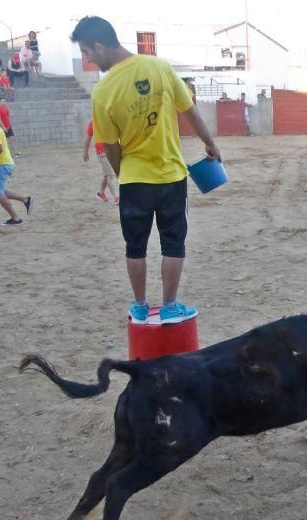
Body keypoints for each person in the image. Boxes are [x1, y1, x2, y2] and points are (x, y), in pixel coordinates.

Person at [70, 15, 221, 324]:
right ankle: (169, 306)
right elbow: (189, 111)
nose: (87, 58)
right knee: (173, 243)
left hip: (135, 179)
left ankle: (139, 306)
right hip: (170, 176)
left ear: (99, 45)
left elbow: (111, 145)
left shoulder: (103, 92)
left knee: (135, 246)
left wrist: (123, 171)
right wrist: (209, 143)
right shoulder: (160, 67)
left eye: (87, 51)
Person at [84, 119, 119, 203]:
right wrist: (85, 152)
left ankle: (101, 193)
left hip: (111, 151)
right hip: (102, 153)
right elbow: (88, 139)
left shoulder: (109, 120)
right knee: (109, 176)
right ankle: (116, 197)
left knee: (107, 175)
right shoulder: (93, 123)